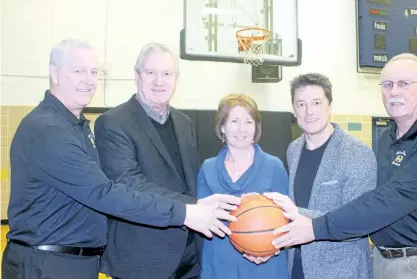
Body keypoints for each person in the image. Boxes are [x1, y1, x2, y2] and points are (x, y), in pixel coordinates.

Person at [1, 39, 239, 279]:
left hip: (74, 261)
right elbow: (107, 192)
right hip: (50, 264)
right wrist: (187, 210)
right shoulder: (50, 130)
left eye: (94, 72)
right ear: (54, 72)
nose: (89, 79)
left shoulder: (76, 126)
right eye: (78, 71)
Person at [272, 53, 417, 279]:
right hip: (384, 261)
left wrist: (315, 227)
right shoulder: (387, 139)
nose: (394, 92)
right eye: (388, 84)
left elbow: (389, 200)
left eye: (404, 84)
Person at [93, 43, 240, 279]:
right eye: (151, 73)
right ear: (137, 76)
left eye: (167, 74)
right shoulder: (113, 123)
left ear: (176, 79)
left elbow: (192, 180)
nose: (159, 81)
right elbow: (129, 184)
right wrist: (193, 207)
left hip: (191, 256)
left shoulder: (184, 123)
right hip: (143, 257)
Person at [263, 73, 376, 279]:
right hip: (297, 268)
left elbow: (359, 222)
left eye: (316, 102)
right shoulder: (293, 149)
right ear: (293, 109)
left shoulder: (357, 153)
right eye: (301, 104)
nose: (309, 112)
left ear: (330, 107)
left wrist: (298, 212)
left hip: (341, 271)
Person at [197, 94, 289, 279]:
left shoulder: (274, 166)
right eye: (234, 121)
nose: (241, 128)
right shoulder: (208, 168)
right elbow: (200, 221)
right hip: (219, 266)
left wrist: (272, 249)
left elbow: (287, 220)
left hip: (264, 266)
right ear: (222, 126)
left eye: (248, 122)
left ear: (256, 128)